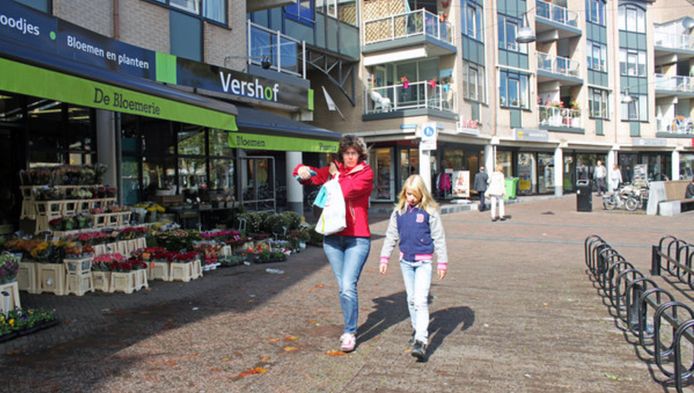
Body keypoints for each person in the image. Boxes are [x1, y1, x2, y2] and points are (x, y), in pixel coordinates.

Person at [293, 135, 373, 353]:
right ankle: (349, 327)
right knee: (343, 287)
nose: (350, 157)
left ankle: (349, 332)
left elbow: (346, 190)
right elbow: (311, 176)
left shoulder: (365, 173)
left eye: (354, 153)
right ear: (342, 154)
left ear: (360, 155)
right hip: (332, 237)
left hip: (357, 237)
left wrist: (335, 176)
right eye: (346, 153)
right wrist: (301, 171)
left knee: (348, 285)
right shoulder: (333, 170)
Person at [378, 174, 448, 361]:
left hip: (424, 261)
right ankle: (417, 329)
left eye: (414, 195)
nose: (411, 198)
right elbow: (391, 235)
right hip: (406, 261)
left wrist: (442, 262)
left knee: (420, 300)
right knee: (410, 299)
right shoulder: (399, 212)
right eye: (408, 194)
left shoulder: (430, 211)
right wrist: (384, 258)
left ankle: (421, 340)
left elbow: (439, 238)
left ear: (421, 194)